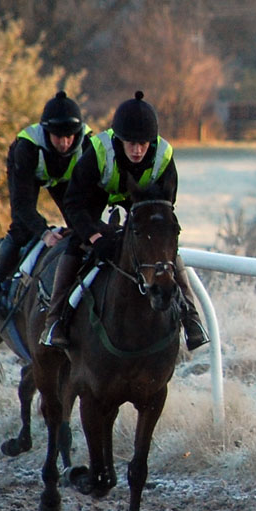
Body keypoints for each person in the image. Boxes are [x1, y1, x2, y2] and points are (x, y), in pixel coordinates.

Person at [39, 91, 210, 351]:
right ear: (119, 139)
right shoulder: (97, 151)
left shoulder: (164, 155)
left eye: (143, 143)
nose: (138, 150)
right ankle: (56, 320)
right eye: (131, 143)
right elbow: (74, 203)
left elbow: (166, 210)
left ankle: (191, 316)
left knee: (161, 247)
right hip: (96, 196)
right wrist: (94, 237)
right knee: (76, 245)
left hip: (141, 202)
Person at [0, 91, 94, 318]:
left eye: (70, 137)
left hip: (64, 179)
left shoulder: (89, 144)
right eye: (57, 137)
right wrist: (44, 233)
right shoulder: (27, 147)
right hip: (30, 173)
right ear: (46, 132)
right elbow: (22, 204)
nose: (64, 143)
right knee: (21, 227)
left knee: (82, 226)